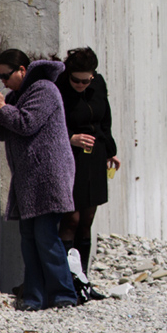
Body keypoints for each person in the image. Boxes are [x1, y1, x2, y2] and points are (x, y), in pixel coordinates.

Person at [0, 49, 78, 311]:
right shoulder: (17, 95)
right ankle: (34, 297)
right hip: (28, 179)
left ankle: (63, 294)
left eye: (6, 74)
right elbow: (6, 131)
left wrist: (3, 107)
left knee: (46, 237)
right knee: (29, 237)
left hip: (49, 176)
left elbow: (27, 123)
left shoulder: (44, 89)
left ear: (22, 71)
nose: (2, 80)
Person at [56, 47, 120, 280]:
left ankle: (82, 276)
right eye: (76, 80)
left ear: (93, 76)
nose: (81, 85)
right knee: (71, 219)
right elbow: (51, 123)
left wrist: (110, 152)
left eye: (86, 81)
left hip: (95, 156)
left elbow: (105, 120)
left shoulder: (98, 84)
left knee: (87, 220)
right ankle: (65, 279)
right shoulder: (59, 88)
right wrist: (70, 137)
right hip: (70, 157)